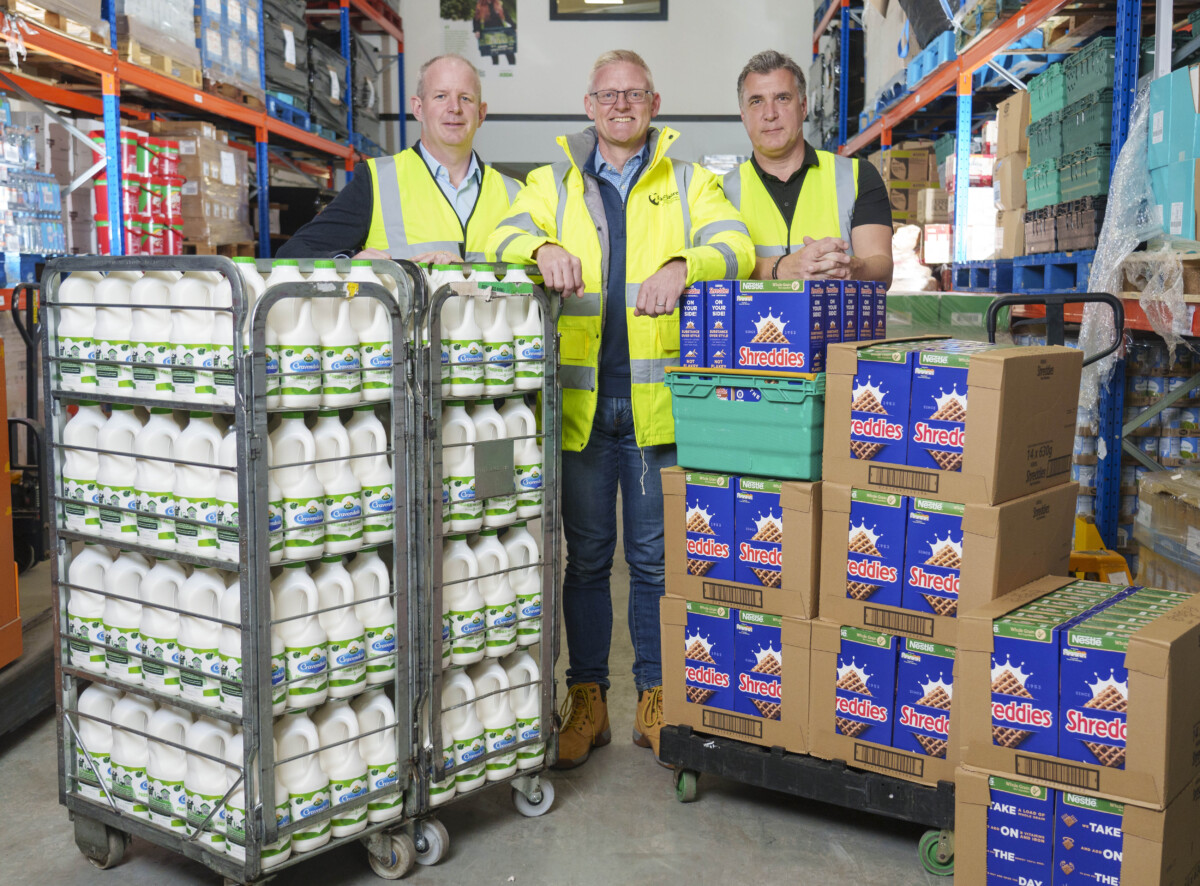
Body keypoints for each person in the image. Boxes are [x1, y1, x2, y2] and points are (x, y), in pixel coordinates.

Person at [487, 50, 754, 769]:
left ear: (655, 102)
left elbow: (737, 247)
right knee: (585, 561)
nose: (620, 105)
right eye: (608, 94)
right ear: (588, 103)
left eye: (633, 93)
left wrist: (683, 265)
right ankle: (588, 700)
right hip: (580, 407)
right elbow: (499, 235)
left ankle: (657, 696)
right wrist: (540, 246)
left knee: (654, 562)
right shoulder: (552, 182)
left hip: (654, 407)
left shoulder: (691, 181)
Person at [277, 53, 521, 261]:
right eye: (441, 96)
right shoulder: (376, 182)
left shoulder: (516, 195)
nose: (454, 108)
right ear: (418, 109)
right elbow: (293, 254)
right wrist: (349, 263)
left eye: (465, 98)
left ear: (481, 113)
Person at [724, 49, 893, 285]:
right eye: (756, 101)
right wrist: (778, 268)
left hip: (834, 321)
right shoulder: (719, 192)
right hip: (758, 323)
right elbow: (712, 270)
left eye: (782, 98)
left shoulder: (857, 176)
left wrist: (852, 268)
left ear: (803, 107)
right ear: (743, 114)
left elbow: (882, 270)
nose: (770, 114)